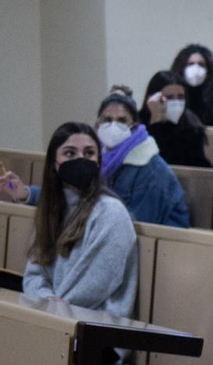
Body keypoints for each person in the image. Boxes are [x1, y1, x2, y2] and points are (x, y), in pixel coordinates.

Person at [22, 123, 140, 317]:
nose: (80, 160)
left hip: (98, 329)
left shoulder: (111, 212)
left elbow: (97, 283)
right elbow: (34, 275)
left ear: (98, 161)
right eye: (70, 153)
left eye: (89, 153)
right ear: (54, 162)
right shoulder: (51, 210)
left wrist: (54, 309)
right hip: (55, 318)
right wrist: (46, 300)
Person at [94, 88, 190, 226]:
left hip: (164, 240)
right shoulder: (100, 158)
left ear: (133, 126)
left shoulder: (150, 166)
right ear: (98, 125)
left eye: (122, 120)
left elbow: (141, 223)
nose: (113, 125)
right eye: (107, 120)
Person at [138, 70, 211, 168]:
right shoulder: (137, 124)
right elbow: (149, 161)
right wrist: (156, 121)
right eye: (169, 97)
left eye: (180, 97)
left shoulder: (191, 127)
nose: (176, 102)